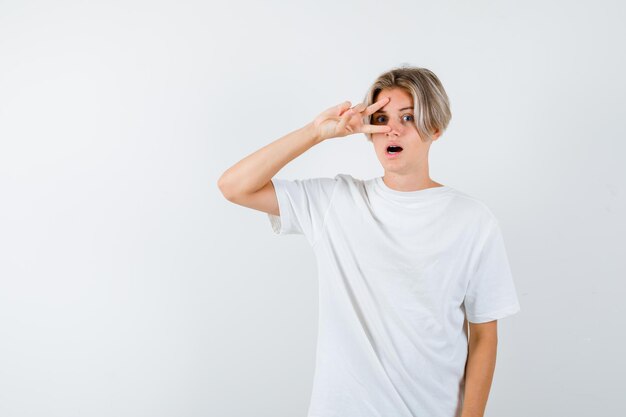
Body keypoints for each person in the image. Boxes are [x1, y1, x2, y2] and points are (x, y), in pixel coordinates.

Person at [217, 66, 521, 417]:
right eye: (380, 117)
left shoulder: (472, 220)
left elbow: (483, 335)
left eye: (408, 117)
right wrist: (316, 133)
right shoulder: (337, 201)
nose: (392, 128)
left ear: (435, 127)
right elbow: (234, 186)